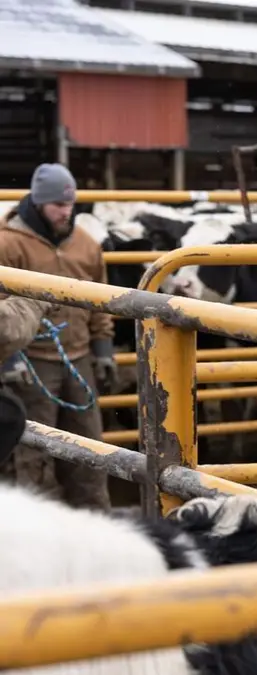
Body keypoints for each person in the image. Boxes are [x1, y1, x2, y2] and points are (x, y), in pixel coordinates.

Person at [0, 163, 116, 510]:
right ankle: (32, 528)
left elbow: (100, 300)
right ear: (38, 203)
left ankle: (95, 524)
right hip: (31, 363)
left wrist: (104, 350)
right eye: (57, 205)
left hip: (77, 358)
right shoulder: (8, 243)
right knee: (30, 453)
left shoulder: (87, 245)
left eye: (70, 205)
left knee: (89, 451)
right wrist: (10, 360)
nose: (66, 212)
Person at [0, 295, 54, 468]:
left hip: (77, 348)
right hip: (38, 356)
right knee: (10, 414)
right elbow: (5, 328)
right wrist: (35, 300)